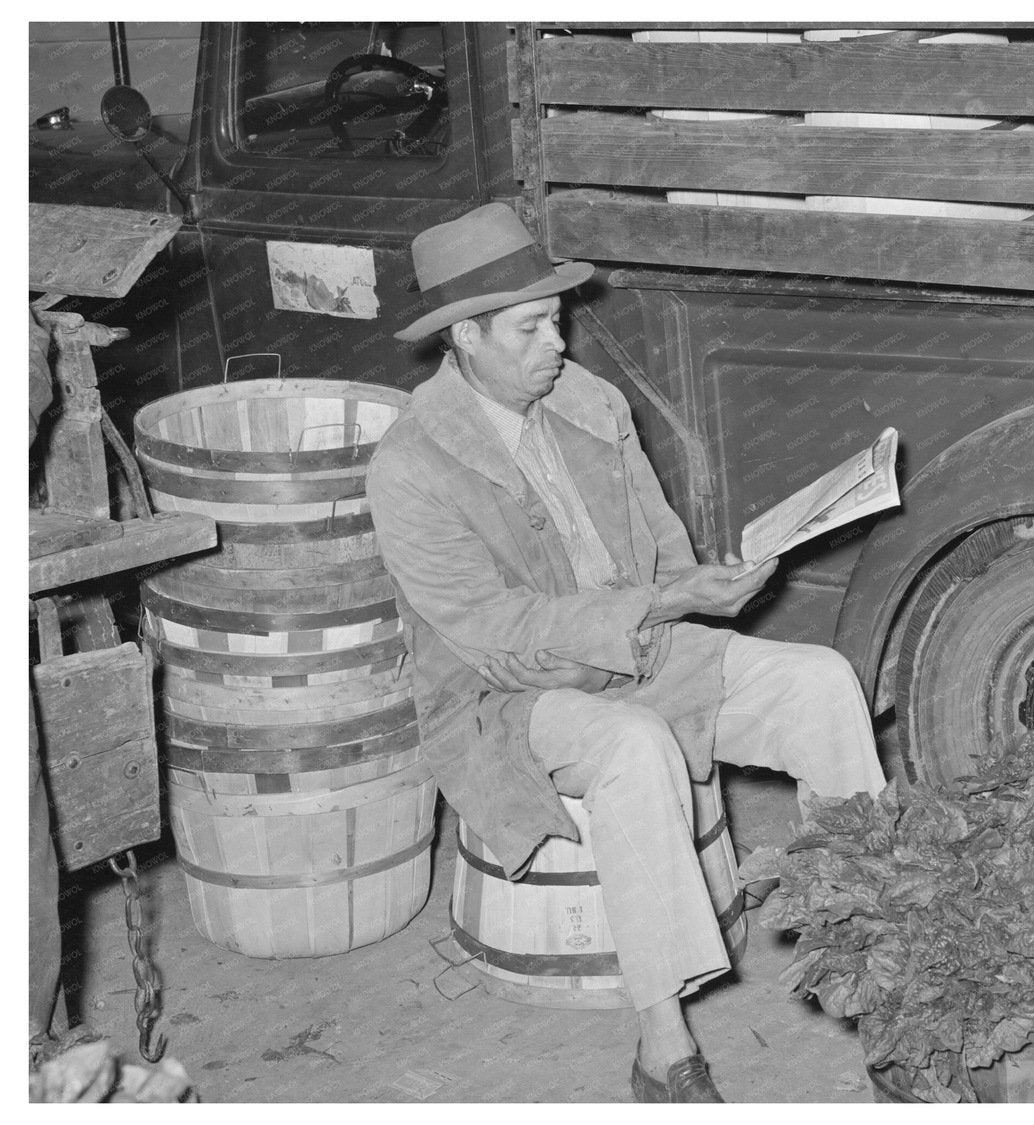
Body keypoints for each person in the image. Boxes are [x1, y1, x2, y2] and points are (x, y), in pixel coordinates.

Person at [367, 202, 886, 1102]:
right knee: (632, 745)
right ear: (465, 337)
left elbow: (662, 545)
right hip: (506, 698)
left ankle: (879, 938)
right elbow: (495, 633)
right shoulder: (411, 465)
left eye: (558, 320)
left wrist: (709, 588)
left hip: (647, 645)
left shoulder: (591, 405)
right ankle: (663, 1044)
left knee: (820, 680)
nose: (558, 342)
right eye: (531, 327)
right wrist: (663, 601)